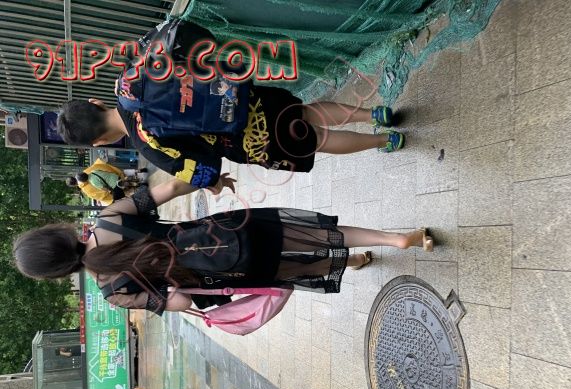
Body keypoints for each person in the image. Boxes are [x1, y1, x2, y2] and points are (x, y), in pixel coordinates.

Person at [13, 178, 433, 316]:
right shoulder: (109, 218)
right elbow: (169, 188)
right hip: (228, 231)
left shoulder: (113, 292)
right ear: (56, 235)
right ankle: (394, 239)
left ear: (58, 272)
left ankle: (351, 262)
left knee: (296, 269)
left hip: (230, 270)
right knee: (313, 234)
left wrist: (168, 278)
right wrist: (209, 180)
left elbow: (180, 302)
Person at [56, 93, 405, 189]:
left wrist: (216, 183)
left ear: (99, 143)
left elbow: (199, 172)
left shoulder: (147, 145)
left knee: (318, 141)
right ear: (95, 103)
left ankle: (383, 141)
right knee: (307, 112)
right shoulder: (133, 83)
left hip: (249, 140)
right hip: (242, 99)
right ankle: (373, 113)